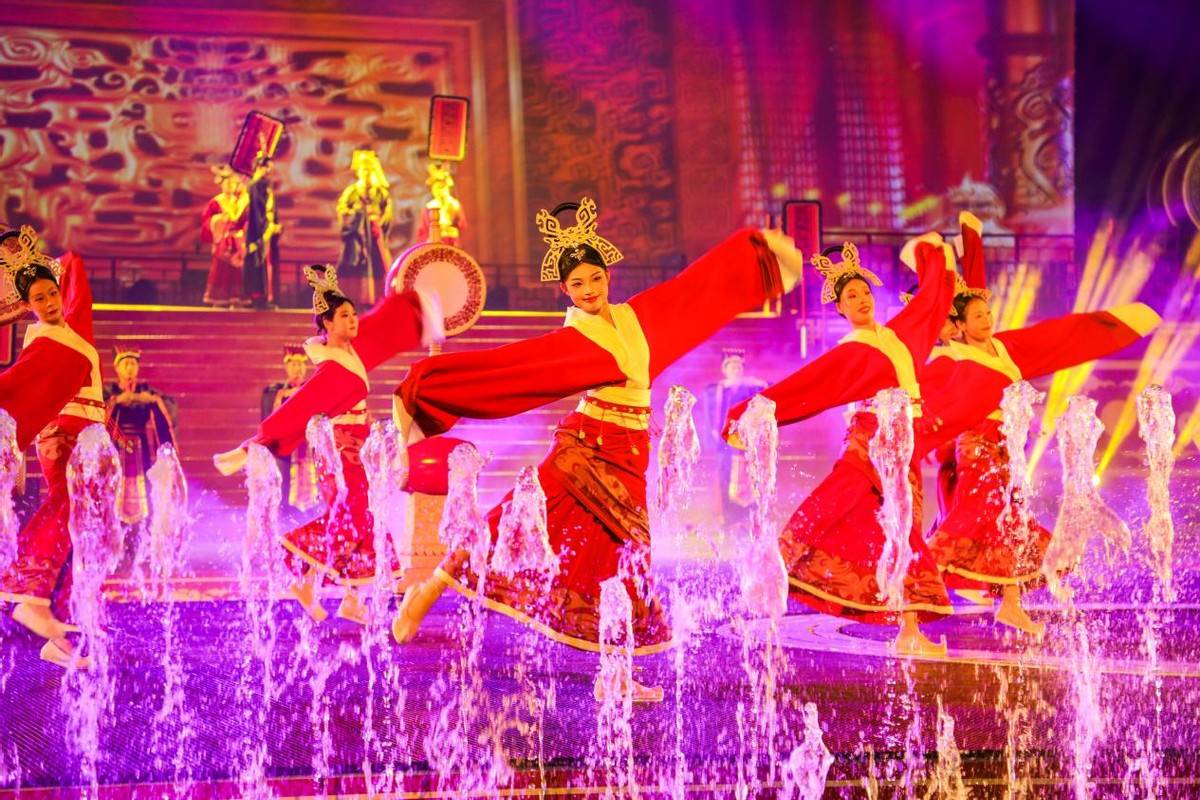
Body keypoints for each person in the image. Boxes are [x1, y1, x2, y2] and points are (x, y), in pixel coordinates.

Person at [389, 197, 804, 702]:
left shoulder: (638, 320)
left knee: (621, 566)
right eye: (577, 284)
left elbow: (692, 294)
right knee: (510, 528)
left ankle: (615, 675)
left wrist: (756, 259)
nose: (588, 290)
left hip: (628, 457)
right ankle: (427, 591)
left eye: (595, 278)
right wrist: (425, 389)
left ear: (608, 276)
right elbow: (509, 370)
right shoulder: (576, 341)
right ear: (564, 289)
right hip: (583, 451)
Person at [921, 213, 1162, 637]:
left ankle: (1010, 604)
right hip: (976, 447)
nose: (986, 319)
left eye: (988, 312)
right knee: (975, 518)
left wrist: (972, 240)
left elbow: (1058, 337)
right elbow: (930, 394)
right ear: (958, 325)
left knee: (1011, 524)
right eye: (976, 316)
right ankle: (915, 579)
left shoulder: (1003, 350)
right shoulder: (952, 355)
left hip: (1007, 449)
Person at [724, 235, 958, 658]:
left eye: (864, 292)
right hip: (869, 440)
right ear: (840, 309)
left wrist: (932, 254)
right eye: (851, 296)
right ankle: (772, 565)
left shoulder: (896, 337)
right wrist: (751, 412)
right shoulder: (852, 350)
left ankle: (908, 630)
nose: (861, 299)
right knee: (831, 503)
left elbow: (930, 305)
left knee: (903, 531)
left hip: (902, 445)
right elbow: (808, 386)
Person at [215, 263, 451, 624]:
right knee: (352, 517)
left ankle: (350, 597)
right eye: (345, 316)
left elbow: (380, 326)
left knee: (364, 517)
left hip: (357, 446)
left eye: (353, 314)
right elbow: (298, 409)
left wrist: (413, 305)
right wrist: (258, 443)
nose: (354, 320)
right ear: (327, 324)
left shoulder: (352, 353)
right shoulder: (333, 368)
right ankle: (302, 570)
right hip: (338, 450)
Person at [0, 226, 104, 668]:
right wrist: (28, 259)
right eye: (38, 299)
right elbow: (17, 385)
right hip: (64, 432)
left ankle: (61, 633)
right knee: (68, 504)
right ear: (28, 306)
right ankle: (30, 594)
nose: (48, 303)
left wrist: (33, 258)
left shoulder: (73, 332)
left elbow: (74, 265)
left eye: (52, 293)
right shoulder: (44, 338)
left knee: (86, 529)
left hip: (88, 433)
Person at [104, 346, 178, 526]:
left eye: (133, 364)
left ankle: (144, 527)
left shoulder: (147, 391)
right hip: (116, 446)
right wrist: (116, 401)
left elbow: (169, 409)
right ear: (117, 368)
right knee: (114, 484)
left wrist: (152, 400)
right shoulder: (109, 392)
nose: (130, 368)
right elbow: (99, 417)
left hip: (142, 447)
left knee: (145, 483)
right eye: (126, 364)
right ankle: (116, 526)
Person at [703, 349, 767, 525]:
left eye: (739, 366)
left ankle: (748, 518)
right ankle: (728, 519)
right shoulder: (717, 390)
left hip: (746, 444)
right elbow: (710, 417)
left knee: (749, 478)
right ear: (725, 370)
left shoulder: (752, 387)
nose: (736, 370)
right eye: (732, 366)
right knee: (725, 478)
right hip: (726, 445)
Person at [261, 344, 318, 513]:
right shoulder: (274, 393)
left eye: (301, 364)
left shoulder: (313, 390)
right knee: (282, 488)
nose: (297, 369)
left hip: (308, 448)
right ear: (286, 367)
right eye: (293, 364)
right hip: (284, 448)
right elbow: (267, 421)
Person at [336, 149, 392, 303]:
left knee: (378, 268)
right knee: (356, 269)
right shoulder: (352, 192)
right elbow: (343, 212)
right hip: (358, 240)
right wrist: (359, 215)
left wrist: (377, 221)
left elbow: (387, 214)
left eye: (369, 169)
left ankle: (377, 301)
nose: (366, 173)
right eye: (363, 169)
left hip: (375, 238)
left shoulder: (381, 193)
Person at [200, 165, 248, 307]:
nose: (230, 186)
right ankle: (219, 300)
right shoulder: (216, 202)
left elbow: (246, 220)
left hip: (238, 242)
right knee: (221, 271)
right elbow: (206, 221)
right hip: (222, 242)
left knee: (238, 272)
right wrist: (219, 220)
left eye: (233, 183)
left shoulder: (241, 201)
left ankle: (237, 299)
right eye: (228, 183)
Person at [244, 155, 281, 310]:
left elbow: (270, 209)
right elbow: (256, 212)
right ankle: (258, 298)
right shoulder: (255, 186)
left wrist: (274, 224)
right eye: (267, 168)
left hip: (266, 229)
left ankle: (266, 297)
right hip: (259, 231)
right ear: (259, 167)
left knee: (266, 264)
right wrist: (265, 228)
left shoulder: (264, 185)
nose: (269, 171)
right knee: (259, 264)